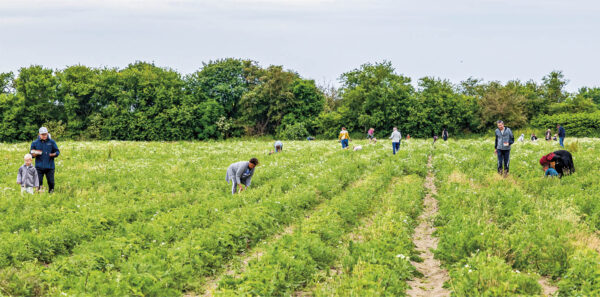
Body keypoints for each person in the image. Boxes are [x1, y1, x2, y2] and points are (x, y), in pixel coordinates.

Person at [30, 127, 60, 193]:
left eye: (45, 134)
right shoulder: (35, 143)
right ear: (39, 134)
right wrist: (34, 155)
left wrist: (53, 154)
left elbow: (57, 152)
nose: (44, 136)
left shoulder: (52, 142)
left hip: (50, 166)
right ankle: (38, 194)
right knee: (38, 182)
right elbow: (31, 154)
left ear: (47, 133)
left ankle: (51, 193)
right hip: (39, 167)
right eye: (42, 134)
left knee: (51, 182)